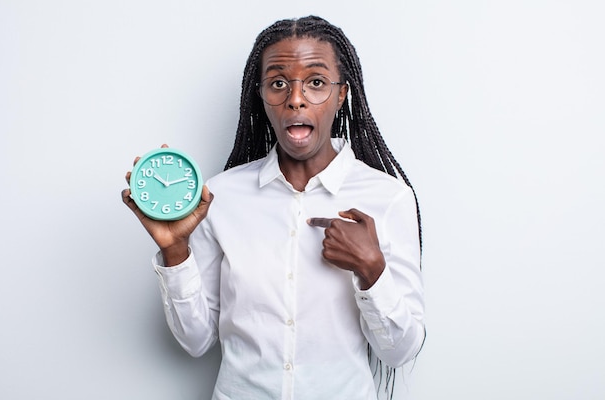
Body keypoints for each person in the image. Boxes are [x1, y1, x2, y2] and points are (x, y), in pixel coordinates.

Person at [122, 15, 424, 400]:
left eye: (316, 82)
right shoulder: (221, 196)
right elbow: (195, 341)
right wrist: (175, 251)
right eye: (279, 83)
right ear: (261, 94)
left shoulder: (388, 197)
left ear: (341, 94)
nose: (295, 98)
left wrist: (372, 269)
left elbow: (399, 351)